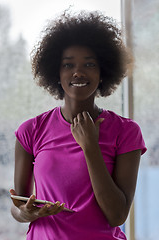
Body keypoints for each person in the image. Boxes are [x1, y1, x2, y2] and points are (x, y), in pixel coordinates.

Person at [10, 10, 147, 240]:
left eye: (90, 64)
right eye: (68, 64)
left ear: (103, 72)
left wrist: (90, 147)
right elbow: (18, 206)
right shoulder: (30, 131)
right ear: (56, 71)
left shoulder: (126, 132)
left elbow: (117, 215)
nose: (78, 72)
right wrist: (26, 213)